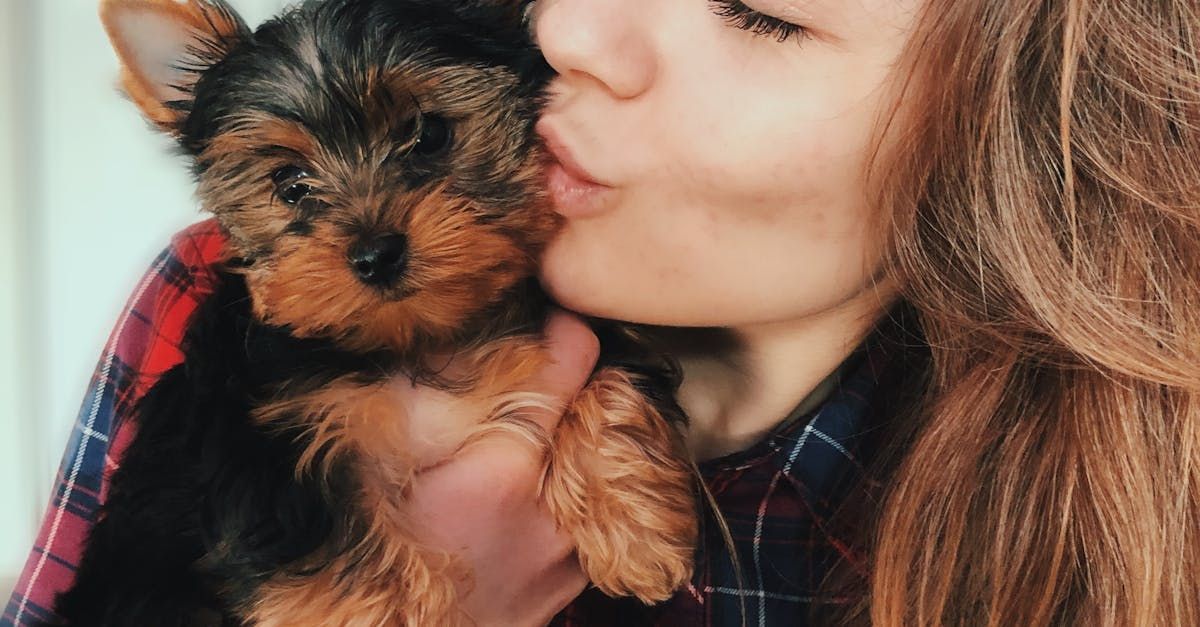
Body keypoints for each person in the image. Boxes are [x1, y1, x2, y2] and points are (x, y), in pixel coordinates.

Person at [6, 0, 1198, 625]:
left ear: (1034, 118)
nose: (568, 27)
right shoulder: (204, 297)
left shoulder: (1088, 509)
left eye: (759, 7)